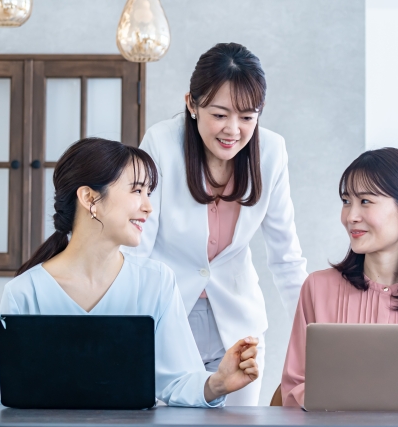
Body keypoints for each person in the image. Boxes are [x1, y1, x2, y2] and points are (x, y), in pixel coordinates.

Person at [0, 138, 259, 408]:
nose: (148, 207)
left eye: (148, 193)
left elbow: (177, 381)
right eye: (137, 190)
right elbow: (6, 404)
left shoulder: (157, 281)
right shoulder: (24, 293)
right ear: (89, 198)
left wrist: (218, 382)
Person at [127, 43, 308, 405]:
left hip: (239, 327)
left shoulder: (271, 152)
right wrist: (125, 329)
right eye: (220, 114)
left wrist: (313, 336)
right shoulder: (162, 143)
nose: (233, 130)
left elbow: (286, 258)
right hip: (168, 317)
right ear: (192, 104)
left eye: (247, 117)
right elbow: (137, 245)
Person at [281, 147, 398, 408]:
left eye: (365, 201)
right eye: (346, 201)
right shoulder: (317, 288)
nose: (350, 216)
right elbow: (294, 388)